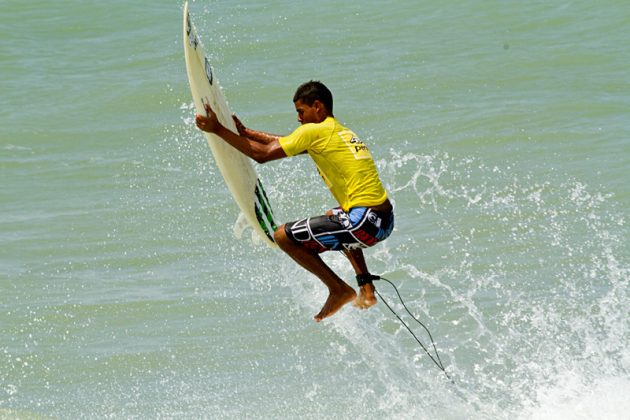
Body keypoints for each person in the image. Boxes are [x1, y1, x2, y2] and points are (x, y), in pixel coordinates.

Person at [195, 80, 394, 322]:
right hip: (381, 223)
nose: (299, 119)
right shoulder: (339, 132)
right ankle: (366, 287)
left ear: (317, 107)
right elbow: (284, 142)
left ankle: (338, 289)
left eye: (301, 112)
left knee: (282, 236)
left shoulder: (315, 131)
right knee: (335, 216)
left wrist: (217, 130)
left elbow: (263, 154)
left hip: (363, 223)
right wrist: (246, 133)